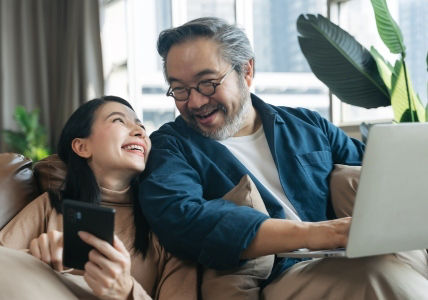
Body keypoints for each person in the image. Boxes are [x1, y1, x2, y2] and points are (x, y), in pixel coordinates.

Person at [138, 17, 428, 299]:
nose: (195, 101)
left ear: (246, 71)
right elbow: (184, 218)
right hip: (280, 275)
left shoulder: (306, 125)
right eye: (179, 89)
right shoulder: (170, 148)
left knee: (387, 258)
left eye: (207, 83)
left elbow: (380, 175)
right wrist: (316, 234)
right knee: (380, 275)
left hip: (354, 257)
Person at [0, 96, 197, 300]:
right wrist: (34, 259)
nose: (140, 132)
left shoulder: (167, 221)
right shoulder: (50, 206)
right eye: (118, 120)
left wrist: (126, 291)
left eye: (141, 126)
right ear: (82, 147)